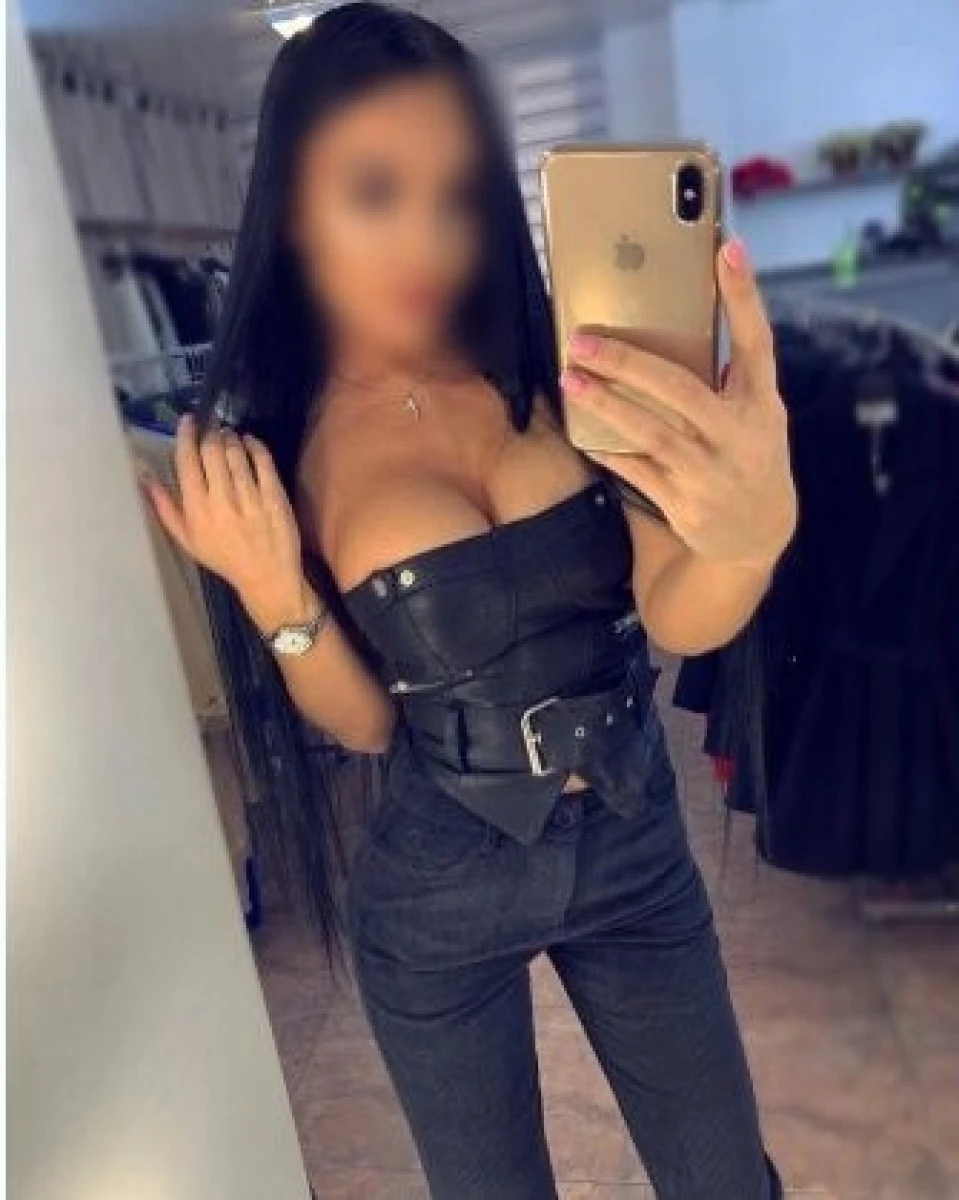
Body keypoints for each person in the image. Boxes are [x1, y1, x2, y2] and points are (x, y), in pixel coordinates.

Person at [143, 5, 795, 1197]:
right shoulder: (281, 444)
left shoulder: (561, 365)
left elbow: (674, 610)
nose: (426, 241)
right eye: (373, 192)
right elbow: (366, 725)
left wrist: (749, 540)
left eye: (456, 197)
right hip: (438, 890)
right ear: (292, 209)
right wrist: (275, 597)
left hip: (633, 847)